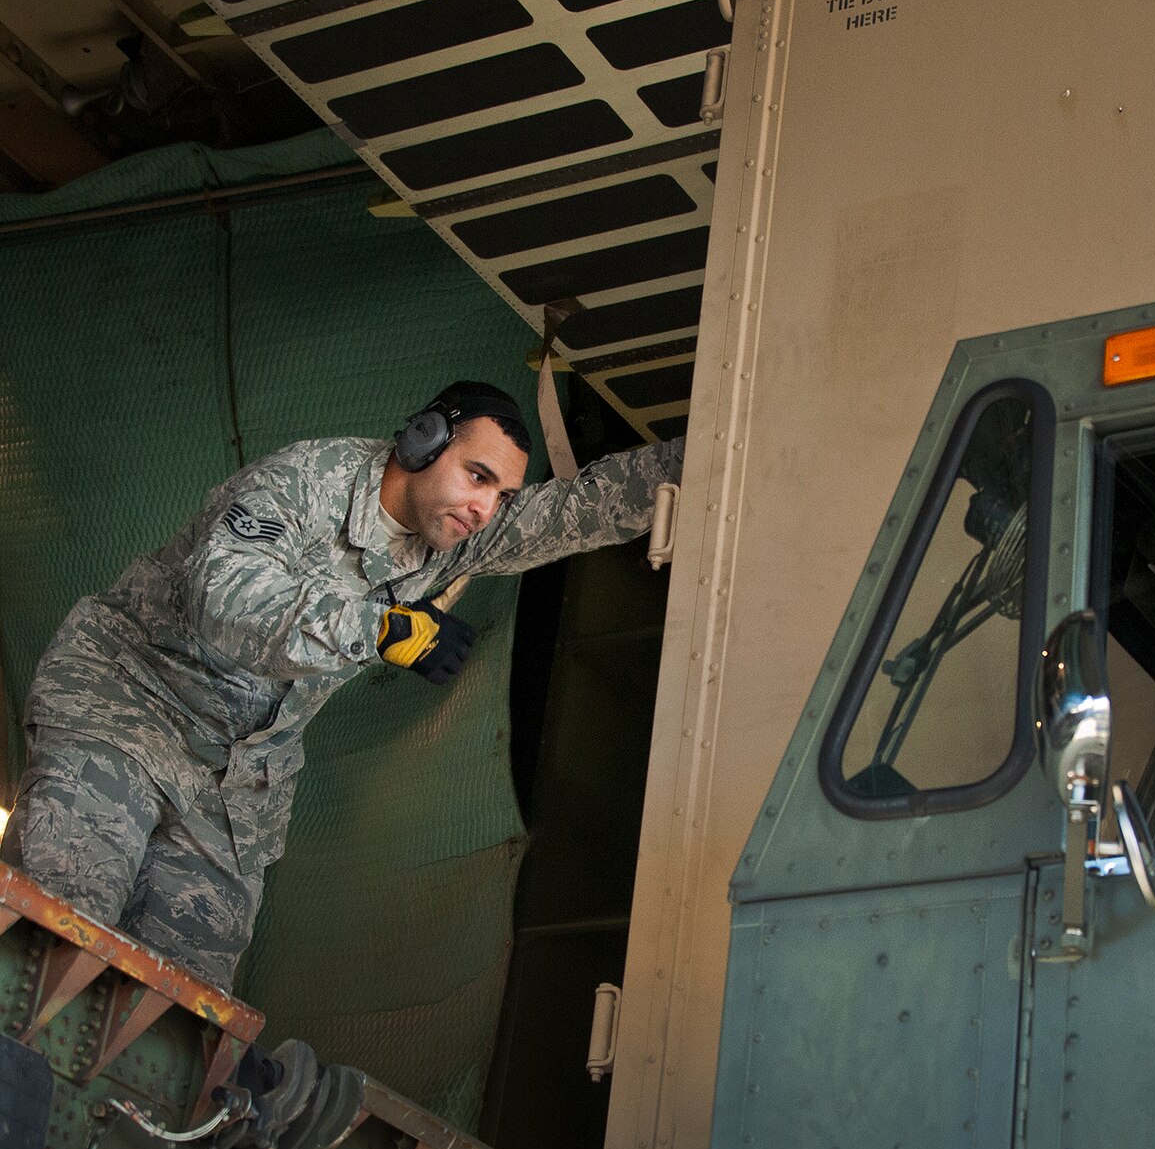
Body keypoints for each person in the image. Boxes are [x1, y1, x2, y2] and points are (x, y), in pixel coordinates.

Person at [1, 381, 683, 987]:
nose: (484, 507)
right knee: (55, 932)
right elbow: (224, 599)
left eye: (500, 493)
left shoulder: (456, 533)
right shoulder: (303, 484)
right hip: (128, 710)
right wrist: (380, 627)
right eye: (476, 475)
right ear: (422, 443)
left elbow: (580, 507)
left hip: (234, 785)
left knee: (179, 1010)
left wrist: (706, 454)